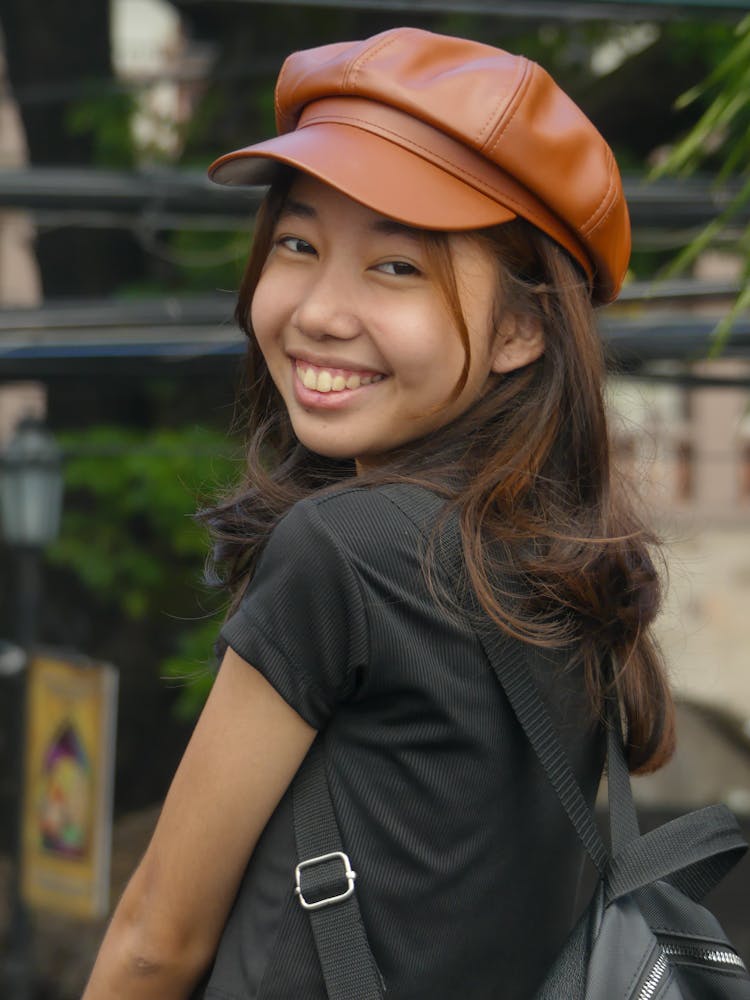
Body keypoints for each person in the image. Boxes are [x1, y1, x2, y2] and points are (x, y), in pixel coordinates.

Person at [82, 26, 675, 1000]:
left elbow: (154, 939)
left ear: (523, 327)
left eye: (396, 267)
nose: (319, 308)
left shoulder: (346, 553)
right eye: (299, 243)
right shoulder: (565, 574)